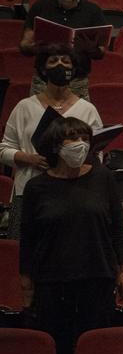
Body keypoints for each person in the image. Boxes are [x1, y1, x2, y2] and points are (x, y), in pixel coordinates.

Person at [18, 116, 123, 354]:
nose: (79, 144)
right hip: (52, 281)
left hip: (97, 275)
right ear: (55, 145)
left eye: (83, 138)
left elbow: (118, 227)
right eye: (71, 138)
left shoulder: (103, 177)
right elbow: (27, 239)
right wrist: (27, 284)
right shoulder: (36, 188)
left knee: (96, 348)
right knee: (59, 351)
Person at [0, 44, 103, 242]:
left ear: (73, 70)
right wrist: (28, 158)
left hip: (74, 192)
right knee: (25, 254)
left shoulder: (87, 109)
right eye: (53, 61)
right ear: (43, 69)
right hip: (29, 191)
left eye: (66, 61)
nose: (60, 65)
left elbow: (96, 152)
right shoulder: (24, 107)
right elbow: (4, 148)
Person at [19, 0, 107, 99]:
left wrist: (90, 48)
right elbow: (24, 46)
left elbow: (101, 52)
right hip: (43, 83)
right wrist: (40, 46)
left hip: (77, 83)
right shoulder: (40, 7)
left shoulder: (93, 11)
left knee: (77, 122)